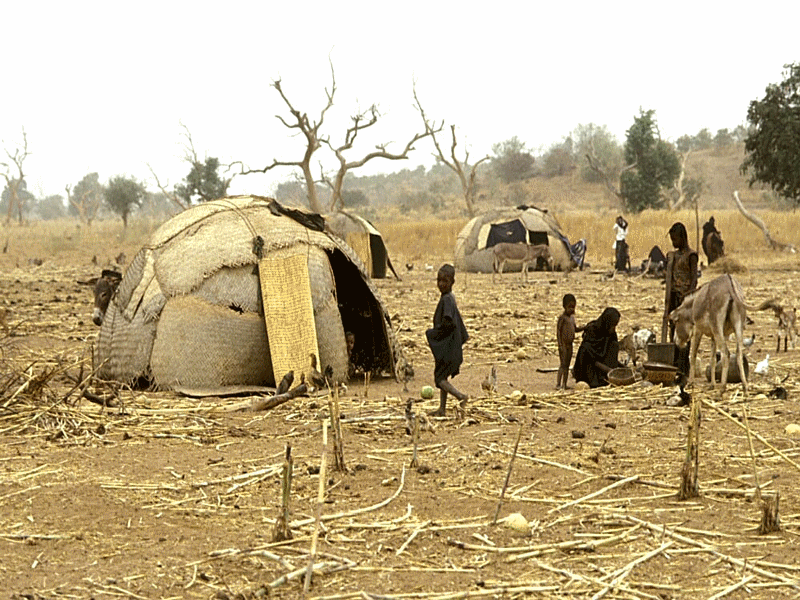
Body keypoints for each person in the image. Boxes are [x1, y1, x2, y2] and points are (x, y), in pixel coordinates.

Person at [426, 264, 469, 416]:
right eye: (439, 280)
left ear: (452, 282)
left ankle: (460, 396)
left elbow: (448, 323)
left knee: (439, 380)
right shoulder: (447, 298)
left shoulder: (447, 300)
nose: (441, 284)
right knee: (442, 375)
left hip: (447, 346)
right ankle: (442, 409)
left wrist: (433, 334)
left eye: (445, 281)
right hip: (447, 346)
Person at [663, 222, 698, 377]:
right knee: (673, 330)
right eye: (671, 239)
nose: (673, 242)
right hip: (674, 297)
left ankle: (684, 366)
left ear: (682, 238)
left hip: (686, 300)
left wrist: (688, 297)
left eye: (675, 239)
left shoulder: (691, 255)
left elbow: (694, 279)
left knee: (684, 332)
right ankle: (674, 363)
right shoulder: (673, 256)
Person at [573, 307, 623, 388]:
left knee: (614, 344)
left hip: (605, 368)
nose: (614, 328)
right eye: (613, 325)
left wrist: (619, 367)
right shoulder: (592, 331)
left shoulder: (611, 335)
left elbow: (608, 355)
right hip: (591, 369)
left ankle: (609, 377)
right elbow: (591, 357)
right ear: (607, 323)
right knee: (585, 349)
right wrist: (608, 370)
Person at [556, 293, 585, 390]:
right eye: (569, 307)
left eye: (573, 307)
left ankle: (564, 384)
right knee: (562, 365)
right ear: (564, 307)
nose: (571, 310)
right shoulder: (562, 318)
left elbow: (575, 329)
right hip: (563, 345)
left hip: (570, 344)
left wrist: (584, 327)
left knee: (567, 365)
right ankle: (558, 384)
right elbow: (558, 331)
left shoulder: (572, 318)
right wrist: (560, 344)